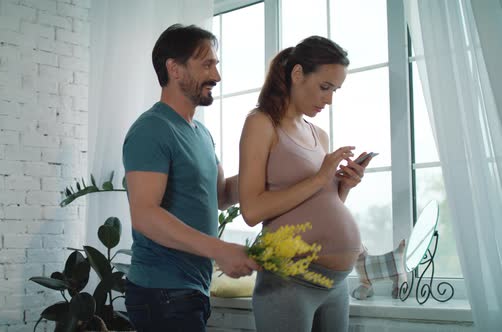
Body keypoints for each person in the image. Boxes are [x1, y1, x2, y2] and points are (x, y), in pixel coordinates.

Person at [122, 24, 259, 332]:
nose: (217, 76)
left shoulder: (201, 134)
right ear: (175, 69)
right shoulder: (152, 129)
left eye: (216, 65)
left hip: (189, 291)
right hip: (162, 293)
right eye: (207, 64)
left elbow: (221, 195)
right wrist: (220, 249)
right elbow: (144, 214)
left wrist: (272, 176)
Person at [238, 36, 373, 332]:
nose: (329, 99)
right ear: (297, 74)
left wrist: (343, 187)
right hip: (290, 280)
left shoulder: (319, 134)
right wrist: (319, 178)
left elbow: (317, 206)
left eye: (335, 90)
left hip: (335, 285)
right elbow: (251, 211)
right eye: (325, 87)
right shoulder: (261, 123)